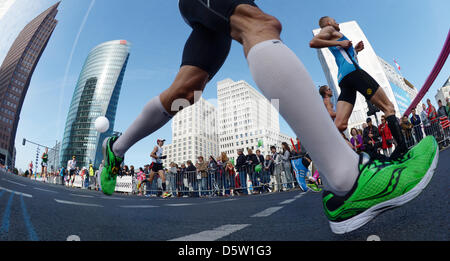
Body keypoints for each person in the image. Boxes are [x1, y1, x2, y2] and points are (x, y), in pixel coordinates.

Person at [98, 1, 438, 234]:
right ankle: (347, 181)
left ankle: (117, 147)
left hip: (208, 14)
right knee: (261, 25)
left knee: (185, 93)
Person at [310, 16, 408, 160]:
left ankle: (313, 153)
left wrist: (355, 50)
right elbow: (314, 42)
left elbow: (345, 56)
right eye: (334, 20)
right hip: (354, 74)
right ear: (329, 23)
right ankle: (402, 148)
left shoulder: (334, 34)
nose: (337, 22)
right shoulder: (329, 29)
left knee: (340, 125)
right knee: (388, 107)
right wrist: (342, 43)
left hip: (344, 79)